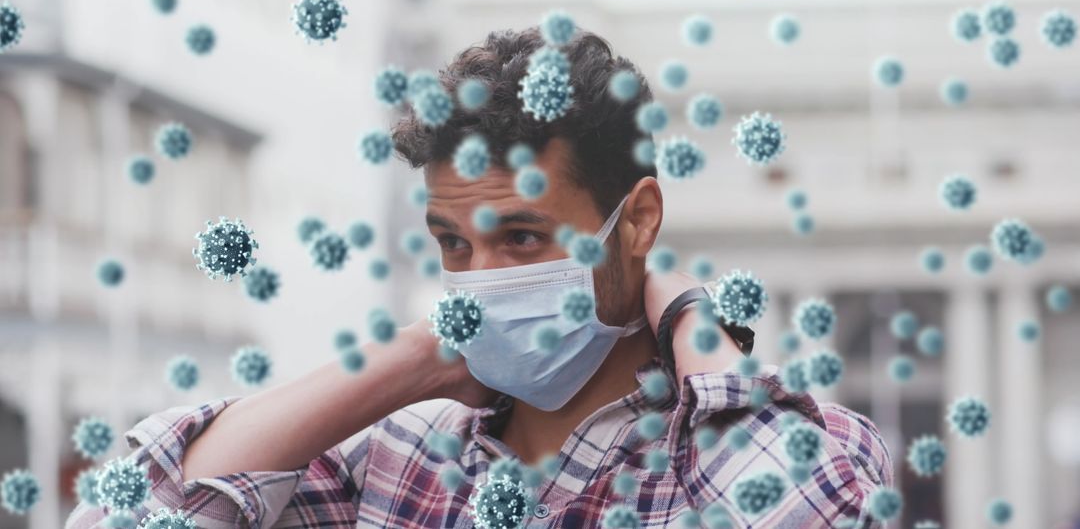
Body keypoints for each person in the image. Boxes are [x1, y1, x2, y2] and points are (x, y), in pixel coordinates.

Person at [66, 27, 892, 528]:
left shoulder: (796, 448)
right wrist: (417, 360)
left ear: (637, 220)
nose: (484, 278)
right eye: (453, 246)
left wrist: (689, 322)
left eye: (523, 238)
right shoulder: (394, 462)